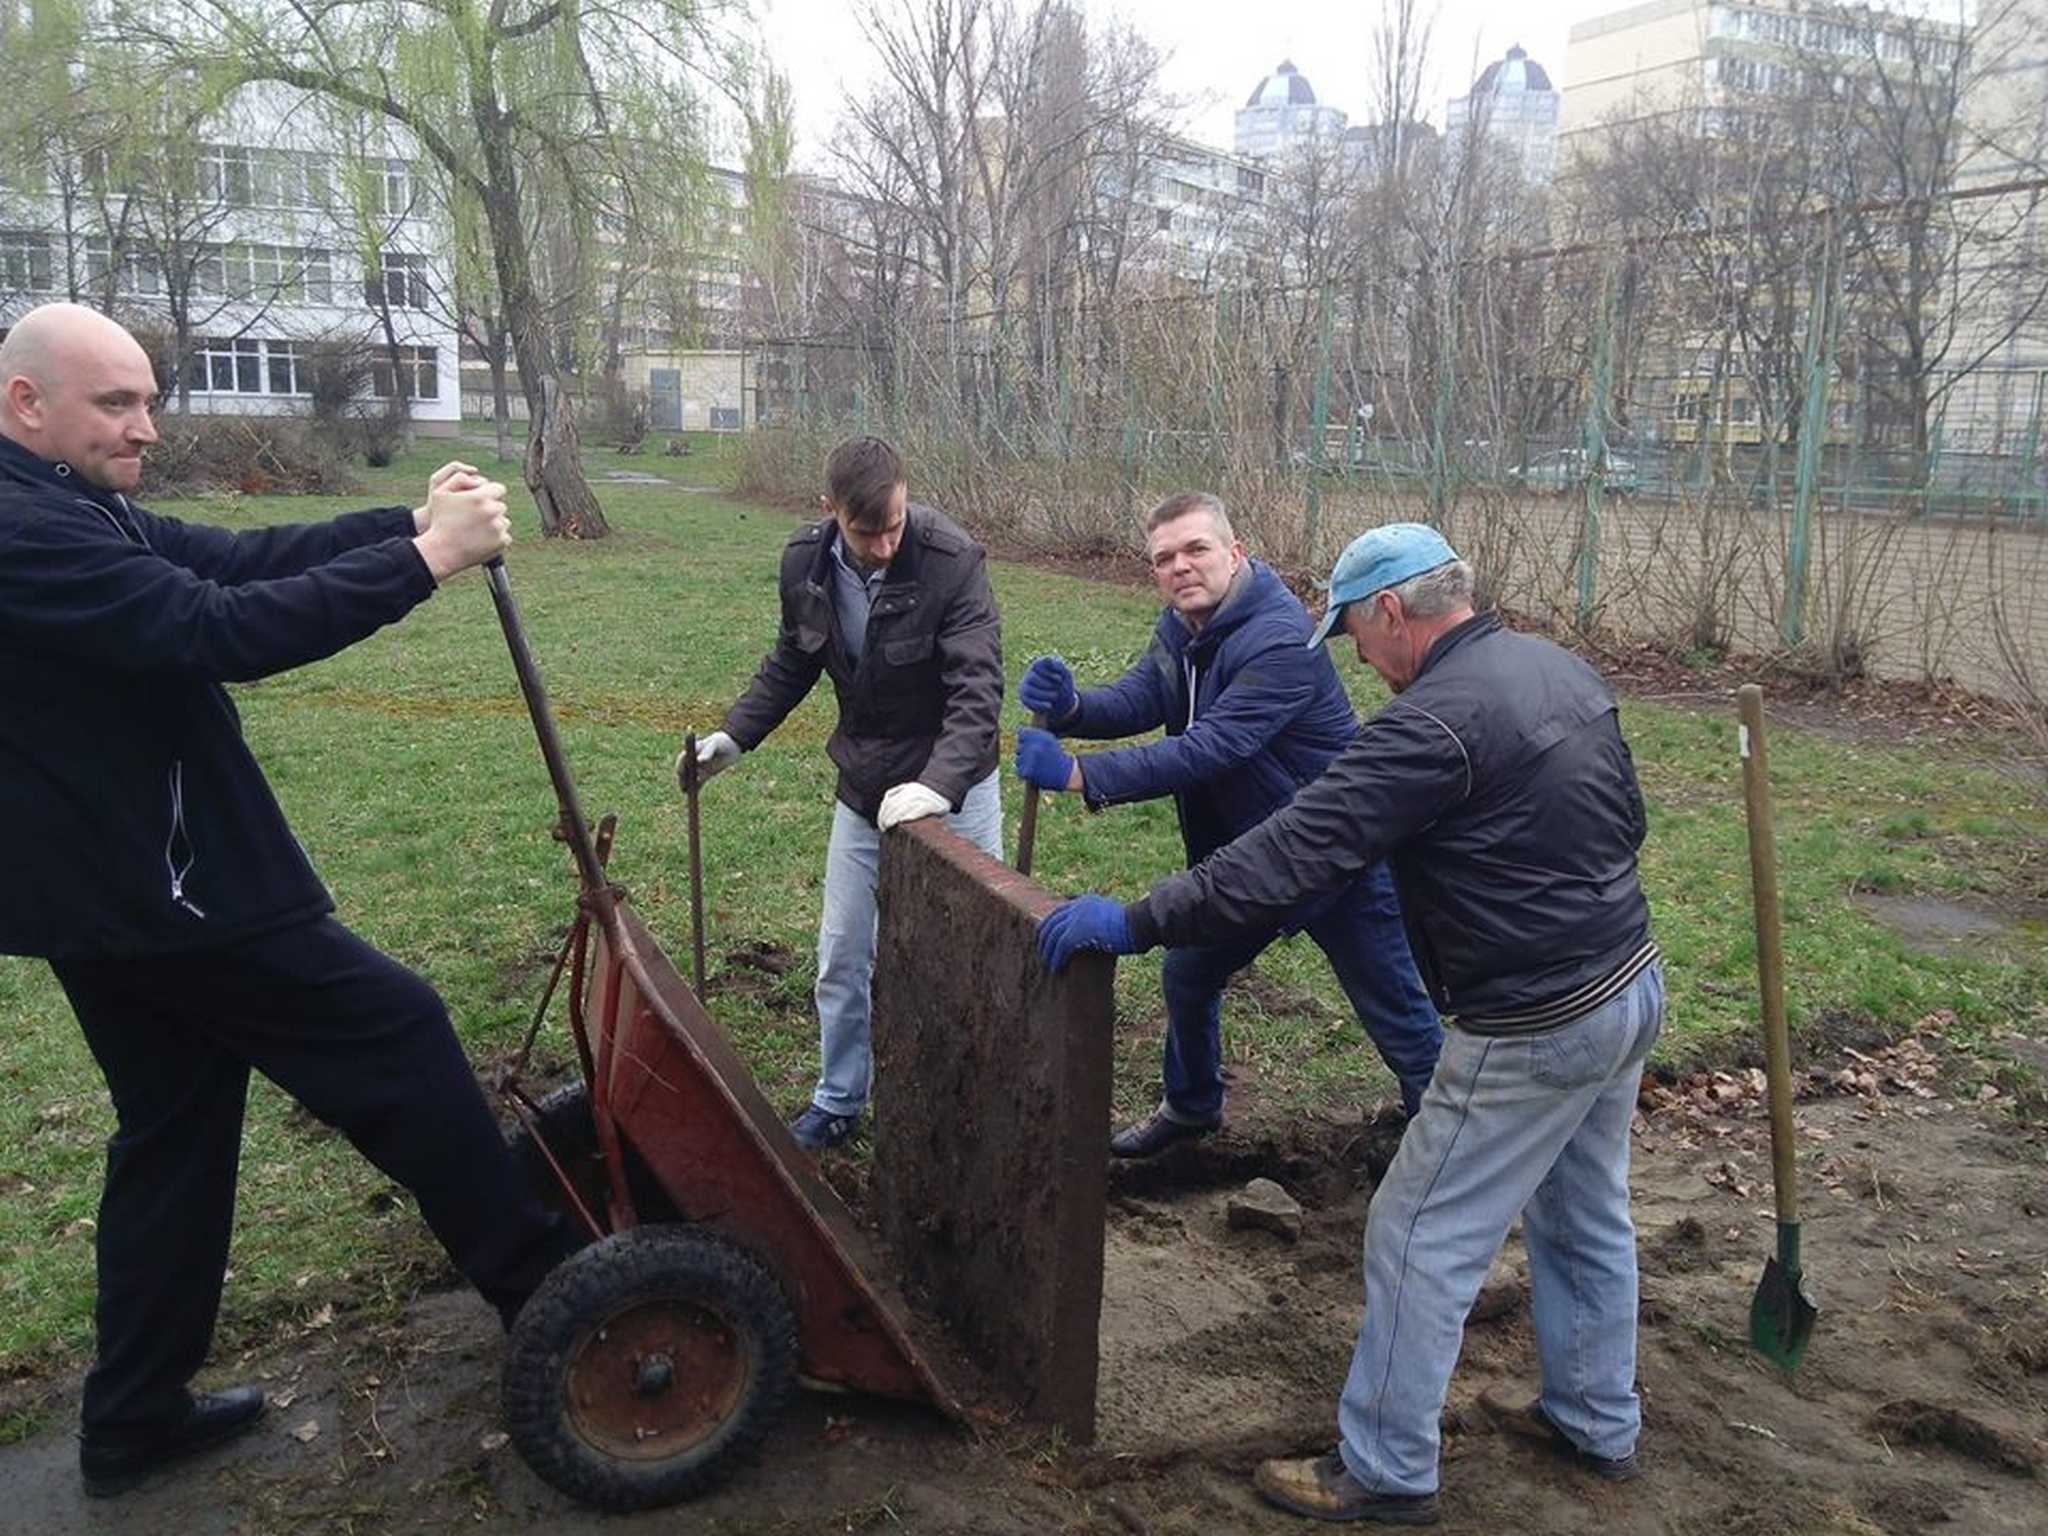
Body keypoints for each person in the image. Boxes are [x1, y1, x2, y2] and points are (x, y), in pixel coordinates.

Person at [0, 304, 578, 1497]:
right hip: (171, 893)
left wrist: (402, 525)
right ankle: (561, 1304)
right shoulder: (22, 529)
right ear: (26, 402)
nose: (146, 427)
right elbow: (215, 628)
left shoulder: (67, 500)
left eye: (149, 401)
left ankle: (133, 1417)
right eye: (118, 403)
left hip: (110, 897)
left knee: (175, 1132)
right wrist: (426, 562)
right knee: (396, 1030)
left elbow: (223, 559)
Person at [1038, 523, 1661, 1525]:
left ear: (1390, 613)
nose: (1357, 659)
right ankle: (1595, 1419)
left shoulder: (1427, 727)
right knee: (1583, 1213)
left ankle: (1384, 1468)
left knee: (1416, 1234)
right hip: (1627, 982)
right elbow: (1628, 819)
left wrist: (1141, 919)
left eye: (1355, 635)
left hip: (1532, 1020)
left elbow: (1293, 848)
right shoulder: (1555, 668)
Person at [1012, 491, 1439, 1156]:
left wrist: (1079, 774)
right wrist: (1073, 708)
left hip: (1333, 856)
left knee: (1399, 1017)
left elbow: (1211, 747)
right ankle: (1192, 1107)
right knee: (1189, 973)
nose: (1180, 566)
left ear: (1235, 553)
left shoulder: (1280, 639)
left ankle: (1450, 1143)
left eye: (1196, 549)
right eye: (1164, 558)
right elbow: (1145, 696)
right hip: (1250, 862)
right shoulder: (1183, 626)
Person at [684, 436, 1002, 1151]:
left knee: (967, 955)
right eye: (867, 532)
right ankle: (838, 1099)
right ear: (830, 510)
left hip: (957, 790)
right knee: (842, 952)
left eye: (895, 525)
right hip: (863, 786)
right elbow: (792, 660)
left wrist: (938, 786)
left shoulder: (952, 560)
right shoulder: (805, 563)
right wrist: (733, 736)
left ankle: (964, 1105)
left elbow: (977, 691)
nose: (885, 546)